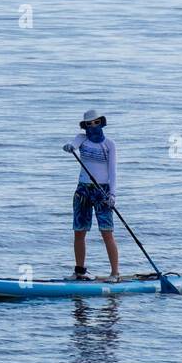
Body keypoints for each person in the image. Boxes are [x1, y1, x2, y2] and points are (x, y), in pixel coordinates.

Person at [62, 108, 120, 282]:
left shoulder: (109, 144)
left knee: (106, 232)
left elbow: (113, 171)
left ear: (101, 123)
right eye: (89, 124)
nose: (93, 126)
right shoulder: (82, 139)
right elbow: (74, 143)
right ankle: (80, 271)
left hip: (102, 191)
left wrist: (113, 195)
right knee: (79, 231)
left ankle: (115, 274)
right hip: (82, 191)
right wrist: (69, 147)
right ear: (85, 126)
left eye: (96, 122)